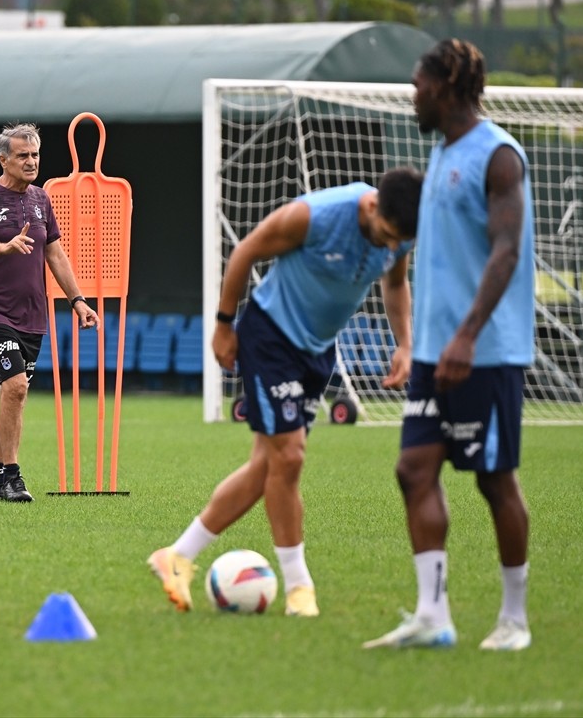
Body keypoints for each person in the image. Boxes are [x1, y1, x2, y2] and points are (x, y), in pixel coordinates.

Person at [148, 167, 424, 617]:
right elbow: (245, 253)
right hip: (269, 339)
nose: (391, 247)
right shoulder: (314, 216)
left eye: (400, 241)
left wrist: (405, 343)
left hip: (317, 351)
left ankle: (177, 557)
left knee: (267, 467)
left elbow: (395, 285)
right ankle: (300, 587)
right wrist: (222, 326)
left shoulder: (402, 233)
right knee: (290, 457)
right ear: (372, 207)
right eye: (387, 235)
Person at [364, 40, 535, 652]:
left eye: (418, 84)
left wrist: (466, 334)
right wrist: (419, 342)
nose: (412, 94)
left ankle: (514, 619)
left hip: (485, 353)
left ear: (447, 85)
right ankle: (432, 615)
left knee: (494, 481)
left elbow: (507, 251)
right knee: (413, 471)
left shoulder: (498, 157)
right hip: (436, 354)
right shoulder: (440, 156)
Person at [0, 123, 99, 502]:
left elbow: (54, 252)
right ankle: (13, 476)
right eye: (23, 155)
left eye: (35, 154)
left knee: (14, 394)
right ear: (3, 158)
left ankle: (1, 479)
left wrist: (78, 300)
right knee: (16, 386)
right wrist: (4, 248)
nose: (31, 161)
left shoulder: (41, 199)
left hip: (33, 314)